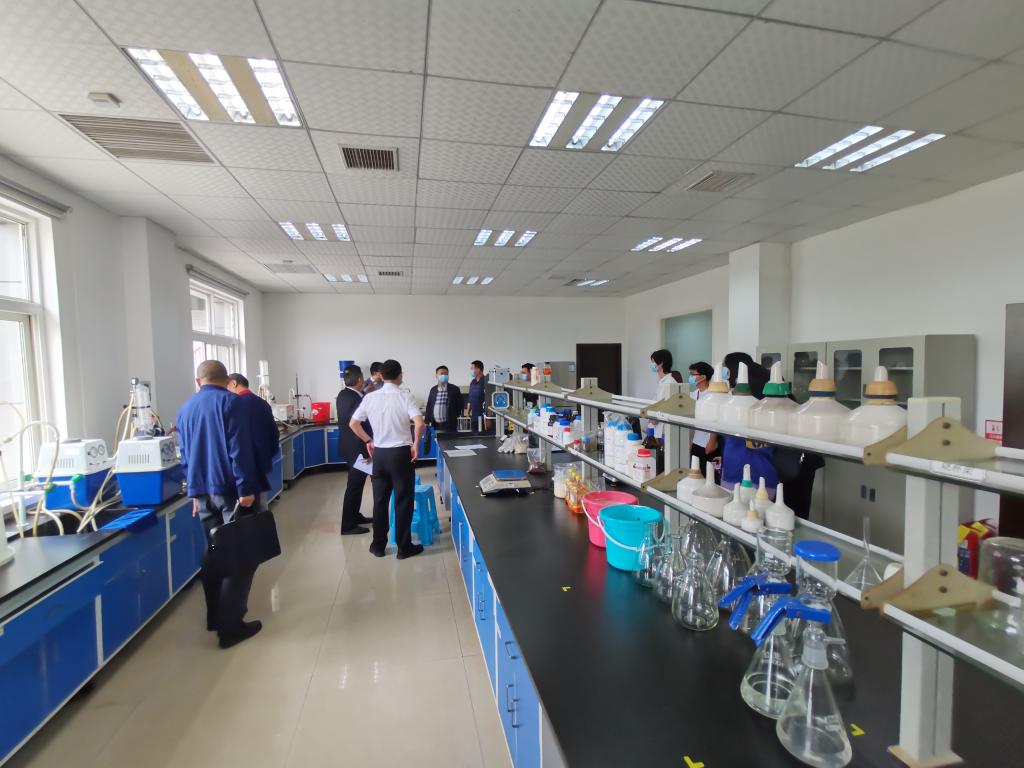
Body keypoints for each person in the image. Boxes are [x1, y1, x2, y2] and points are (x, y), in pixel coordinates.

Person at [177, 360, 262, 649]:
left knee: (214, 552)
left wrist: (193, 492)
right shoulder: (232, 403)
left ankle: (214, 616)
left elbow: (185, 455)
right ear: (227, 380)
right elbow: (239, 449)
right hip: (229, 491)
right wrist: (246, 488)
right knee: (241, 555)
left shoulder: (185, 409)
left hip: (202, 492)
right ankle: (231, 626)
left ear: (198, 381)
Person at [349, 359, 426, 559]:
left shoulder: (370, 398)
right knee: (403, 501)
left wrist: (369, 440)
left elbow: (353, 423)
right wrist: (416, 444)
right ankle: (404, 547)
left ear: (381, 376)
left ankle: (378, 546)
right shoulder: (405, 396)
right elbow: (419, 424)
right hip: (401, 455)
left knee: (380, 502)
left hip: (380, 455)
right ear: (400, 375)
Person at [226, 373, 279, 504]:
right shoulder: (262, 403)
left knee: (246, 508)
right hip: (261, 460)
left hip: (244, 466)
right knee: (260, 504)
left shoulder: (235, 405)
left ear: (234, 383)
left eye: (227, 386)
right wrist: (268, 454)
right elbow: (274, 433)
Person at [335, 365, 373, 535]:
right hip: (358, 448)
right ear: (359, 379)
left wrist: (365, 391)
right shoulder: (356, 399)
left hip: (349, 447)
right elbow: (356, 424)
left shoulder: (344, 394)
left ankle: (355, 516)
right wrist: (369, 440)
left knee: (357, 484)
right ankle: (348, 525)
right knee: (355, 486)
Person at [687, 361, 719, 476]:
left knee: (709, 474)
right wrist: (692, 441)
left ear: (703, 377)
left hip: (709, 443)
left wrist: (712, 441)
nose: (690, 377)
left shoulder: (713, 394)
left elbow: (716, 420)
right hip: (696, 441)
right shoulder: (694, 394)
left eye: (693, 374)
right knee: (696, 473)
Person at [648, 349, 683, 438]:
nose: (651, 364)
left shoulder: (669, 382)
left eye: (653, 362)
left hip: (664, 428)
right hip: (658, 426)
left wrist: (653, 419)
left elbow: (664, 407)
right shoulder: (662, 381)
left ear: (661, 363)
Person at [425, 365, 463, 434]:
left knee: (449, 440)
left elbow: (460, 405)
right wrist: (426, 421)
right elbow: (429, 406)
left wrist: (453, 416)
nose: (444, 375)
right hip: (435, 424)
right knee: (436, 440)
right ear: (436, 376)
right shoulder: (433, 390)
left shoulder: (454, 389)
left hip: (449, 425)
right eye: (441, 373)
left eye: (446, 374)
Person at [467, 359, 487, 433]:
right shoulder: (473, 382)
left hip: (483, 417)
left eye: (472, 368)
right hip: (474, 417)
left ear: (478, 369)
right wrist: (468, 410)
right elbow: (470, 397)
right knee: (474, 436)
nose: (471, 371)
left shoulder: (486, 381)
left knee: (482, 436)